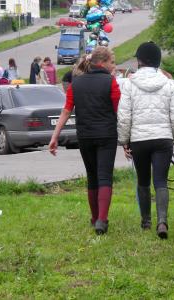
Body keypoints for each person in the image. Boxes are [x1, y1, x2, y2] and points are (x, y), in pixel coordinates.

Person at [49, 47, 120, 235]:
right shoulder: (110, 82)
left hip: (85, 136)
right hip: (106, 135)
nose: (113, 65)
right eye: (112, 62)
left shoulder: (75, 84)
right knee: (105, 176)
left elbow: (66, 111)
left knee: (92, 176)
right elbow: (116, 108)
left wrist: (54, 136)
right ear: (103, 62)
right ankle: (102, 221)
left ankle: (95, 217)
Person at [117, 42, 174, 239]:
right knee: (161, 181)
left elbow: (124, 116)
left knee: (143, 180)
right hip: (162, 139)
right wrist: (171, 135)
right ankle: (162, 221)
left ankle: (146, 221)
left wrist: (124, 140)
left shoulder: (129, 84)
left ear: (139, 60)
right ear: (157, 61)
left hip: (139, 139)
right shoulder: (169, 84)